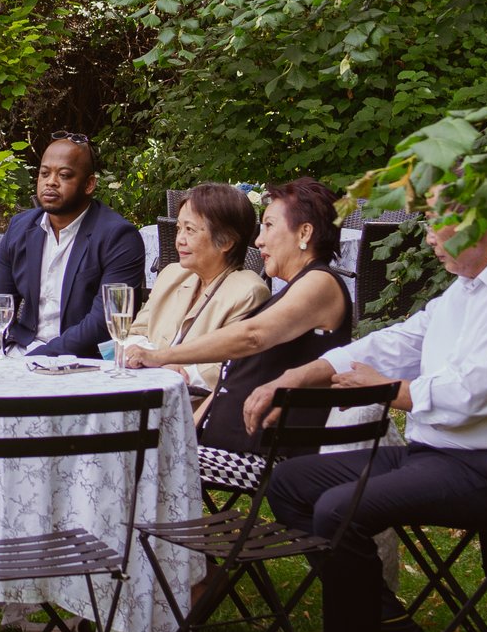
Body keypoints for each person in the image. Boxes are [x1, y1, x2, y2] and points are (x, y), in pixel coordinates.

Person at [242, 194, 487, 632]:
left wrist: (385, 390)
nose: (426, 236)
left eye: (434, 222)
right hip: (437, 454)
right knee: (291, 482)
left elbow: (471, 395)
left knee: (340, 508)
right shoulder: (465, 291)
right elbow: (392, 343)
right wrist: (295, 378)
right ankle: (388, 626)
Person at [121, 178, 356, 491]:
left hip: (264, 455)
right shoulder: (298, 287)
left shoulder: (321, 283)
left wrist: (160, 356)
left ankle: (144, 540)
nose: (258, 241)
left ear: (305, 233)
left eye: (269, 226)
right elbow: (233, 377)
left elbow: (252, 335)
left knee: (132, 457)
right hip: (232, 443)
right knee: (127, 449)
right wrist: (191, 428)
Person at [0, 133, 147, 356]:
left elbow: (103, 323)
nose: (51, 181)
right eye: (44, 173)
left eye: (64, 175)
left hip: (83, 363)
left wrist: (34, 360)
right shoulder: (20, 228)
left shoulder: (118, 236)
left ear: (89, 184)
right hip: (18, 350)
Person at [125, 182, 268, 403]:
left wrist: (178, 371)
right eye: (178, 228)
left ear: (227, 241)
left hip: (192, 408)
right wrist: (145, 358)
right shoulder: (172, 274)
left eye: (190, 230)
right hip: (141, 390)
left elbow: (231, 365)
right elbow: (136, 332)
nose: (179, 239)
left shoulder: (249, 291)